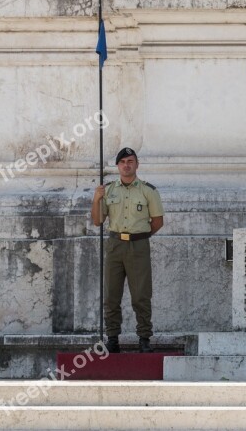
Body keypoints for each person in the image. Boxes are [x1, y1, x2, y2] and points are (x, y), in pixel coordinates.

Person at [91, 148, 164, 353]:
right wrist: (96, 199)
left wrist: (140, 237)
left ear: (137, 164)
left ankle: (144, 338)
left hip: (138, 245)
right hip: (115, 245)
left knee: (141, 294)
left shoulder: (148, 191)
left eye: (130, 161)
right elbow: (97, 221)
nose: (126, 165)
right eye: (122, 162)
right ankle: (112, 338)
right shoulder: (109, 190)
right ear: (118, 166)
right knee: (111, 294)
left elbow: (158, 221)